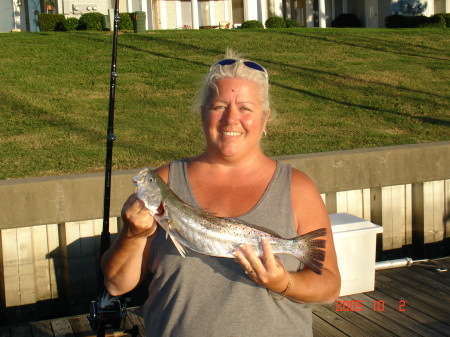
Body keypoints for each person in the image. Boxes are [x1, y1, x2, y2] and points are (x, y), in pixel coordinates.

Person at [101, 49, 340, 337]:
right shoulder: (165, 181)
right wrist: (132, 234)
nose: (231, 119)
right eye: (219, 107)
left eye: (246, 109)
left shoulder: (297, 187)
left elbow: (329, 288)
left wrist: (283, 282)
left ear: (265, 119)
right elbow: (116, 284)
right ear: (202, 114)